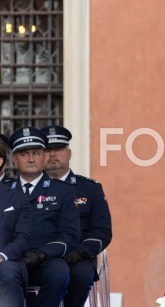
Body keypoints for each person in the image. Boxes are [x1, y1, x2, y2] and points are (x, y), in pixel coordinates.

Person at [7, 126, 80, 307]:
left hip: (46, 260)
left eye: (36, 153)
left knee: (59, 273)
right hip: (12, 260)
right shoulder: (5, 191)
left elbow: (69, 235)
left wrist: (41, 254)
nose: (30, 159)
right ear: (15, 160)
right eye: (24, 154)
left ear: (44, 157)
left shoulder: (63, 192)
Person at [41, 125, 113, 307]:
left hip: (77, 255)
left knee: (81, 276)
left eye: (58, 149)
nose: (52, 154)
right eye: (47, 150)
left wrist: (80, 252)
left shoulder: (90, 188)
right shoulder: (29, 189)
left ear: (69, 153)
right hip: (41, 254)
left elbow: (102, 231)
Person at [0, 132, 31, 307]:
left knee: (7, 272)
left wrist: (2, 256)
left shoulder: (17, 198)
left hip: (6, 261)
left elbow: (23, 238)